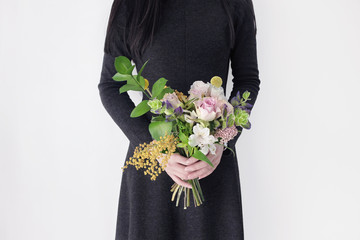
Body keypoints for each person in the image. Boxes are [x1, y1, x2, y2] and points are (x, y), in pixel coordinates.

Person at [97, 0, 261, 239]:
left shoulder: (234, 3)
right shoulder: (131, 4)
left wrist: (222, 141)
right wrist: (156, 149)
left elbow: (247, 81)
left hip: (210, 164)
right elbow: (110, 85)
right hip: (152, 171)